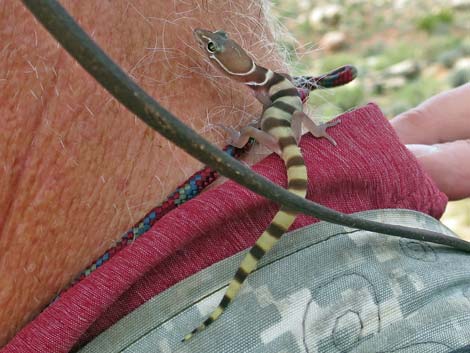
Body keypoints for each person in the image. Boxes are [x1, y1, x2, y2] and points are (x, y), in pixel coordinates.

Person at [0, 1, 468, 351]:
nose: (208, 44)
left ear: (226, 65)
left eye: (211, 46)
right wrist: (319, 134)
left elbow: (264, 121)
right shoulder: (260, 82)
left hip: (281, 143)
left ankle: (231, 295)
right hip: (290, 135)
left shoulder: (254, 89)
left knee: (254, 128)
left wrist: (254, 133)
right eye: (210, 45)